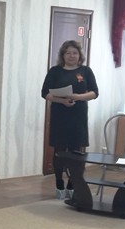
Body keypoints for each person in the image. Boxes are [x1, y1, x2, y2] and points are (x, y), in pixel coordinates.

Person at [41, 40, 99, 200]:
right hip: (59, 115)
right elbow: (45, 93)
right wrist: (62, 101)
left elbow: (95, 92)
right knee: (59, 151)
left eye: (74, 53)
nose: (71, 56)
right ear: (63, 55)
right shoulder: (55, 71)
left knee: (77, 152)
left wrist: (78, 97)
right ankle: (59, 183)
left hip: (78, 116)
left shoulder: (86, 71)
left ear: (79, 55)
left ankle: (73, 185)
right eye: (68, 53)